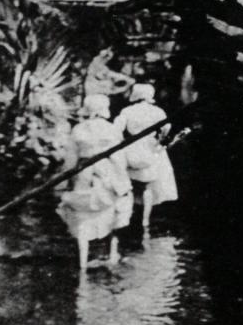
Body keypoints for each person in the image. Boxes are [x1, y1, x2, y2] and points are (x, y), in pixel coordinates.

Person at [57, 94, 134, 270]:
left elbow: (70, 161)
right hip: (107, 174)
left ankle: (82, 262)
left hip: (84, 175)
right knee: (115, 207)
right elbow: (118, 158)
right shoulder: (111, 129)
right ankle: (112, 255)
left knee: (82, 215)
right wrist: (123, 183)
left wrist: (64, 184)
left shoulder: (78, 129)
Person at [113, 83, 178, 234]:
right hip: (150, 148)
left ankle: (130, 216)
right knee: (147, 186)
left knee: (133, 185)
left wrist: (121, 143)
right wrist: (159, 141)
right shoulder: (158, 111)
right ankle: (145, 219)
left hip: (132, 147)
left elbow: (117, 129)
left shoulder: (127, 111)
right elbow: (166, 130)